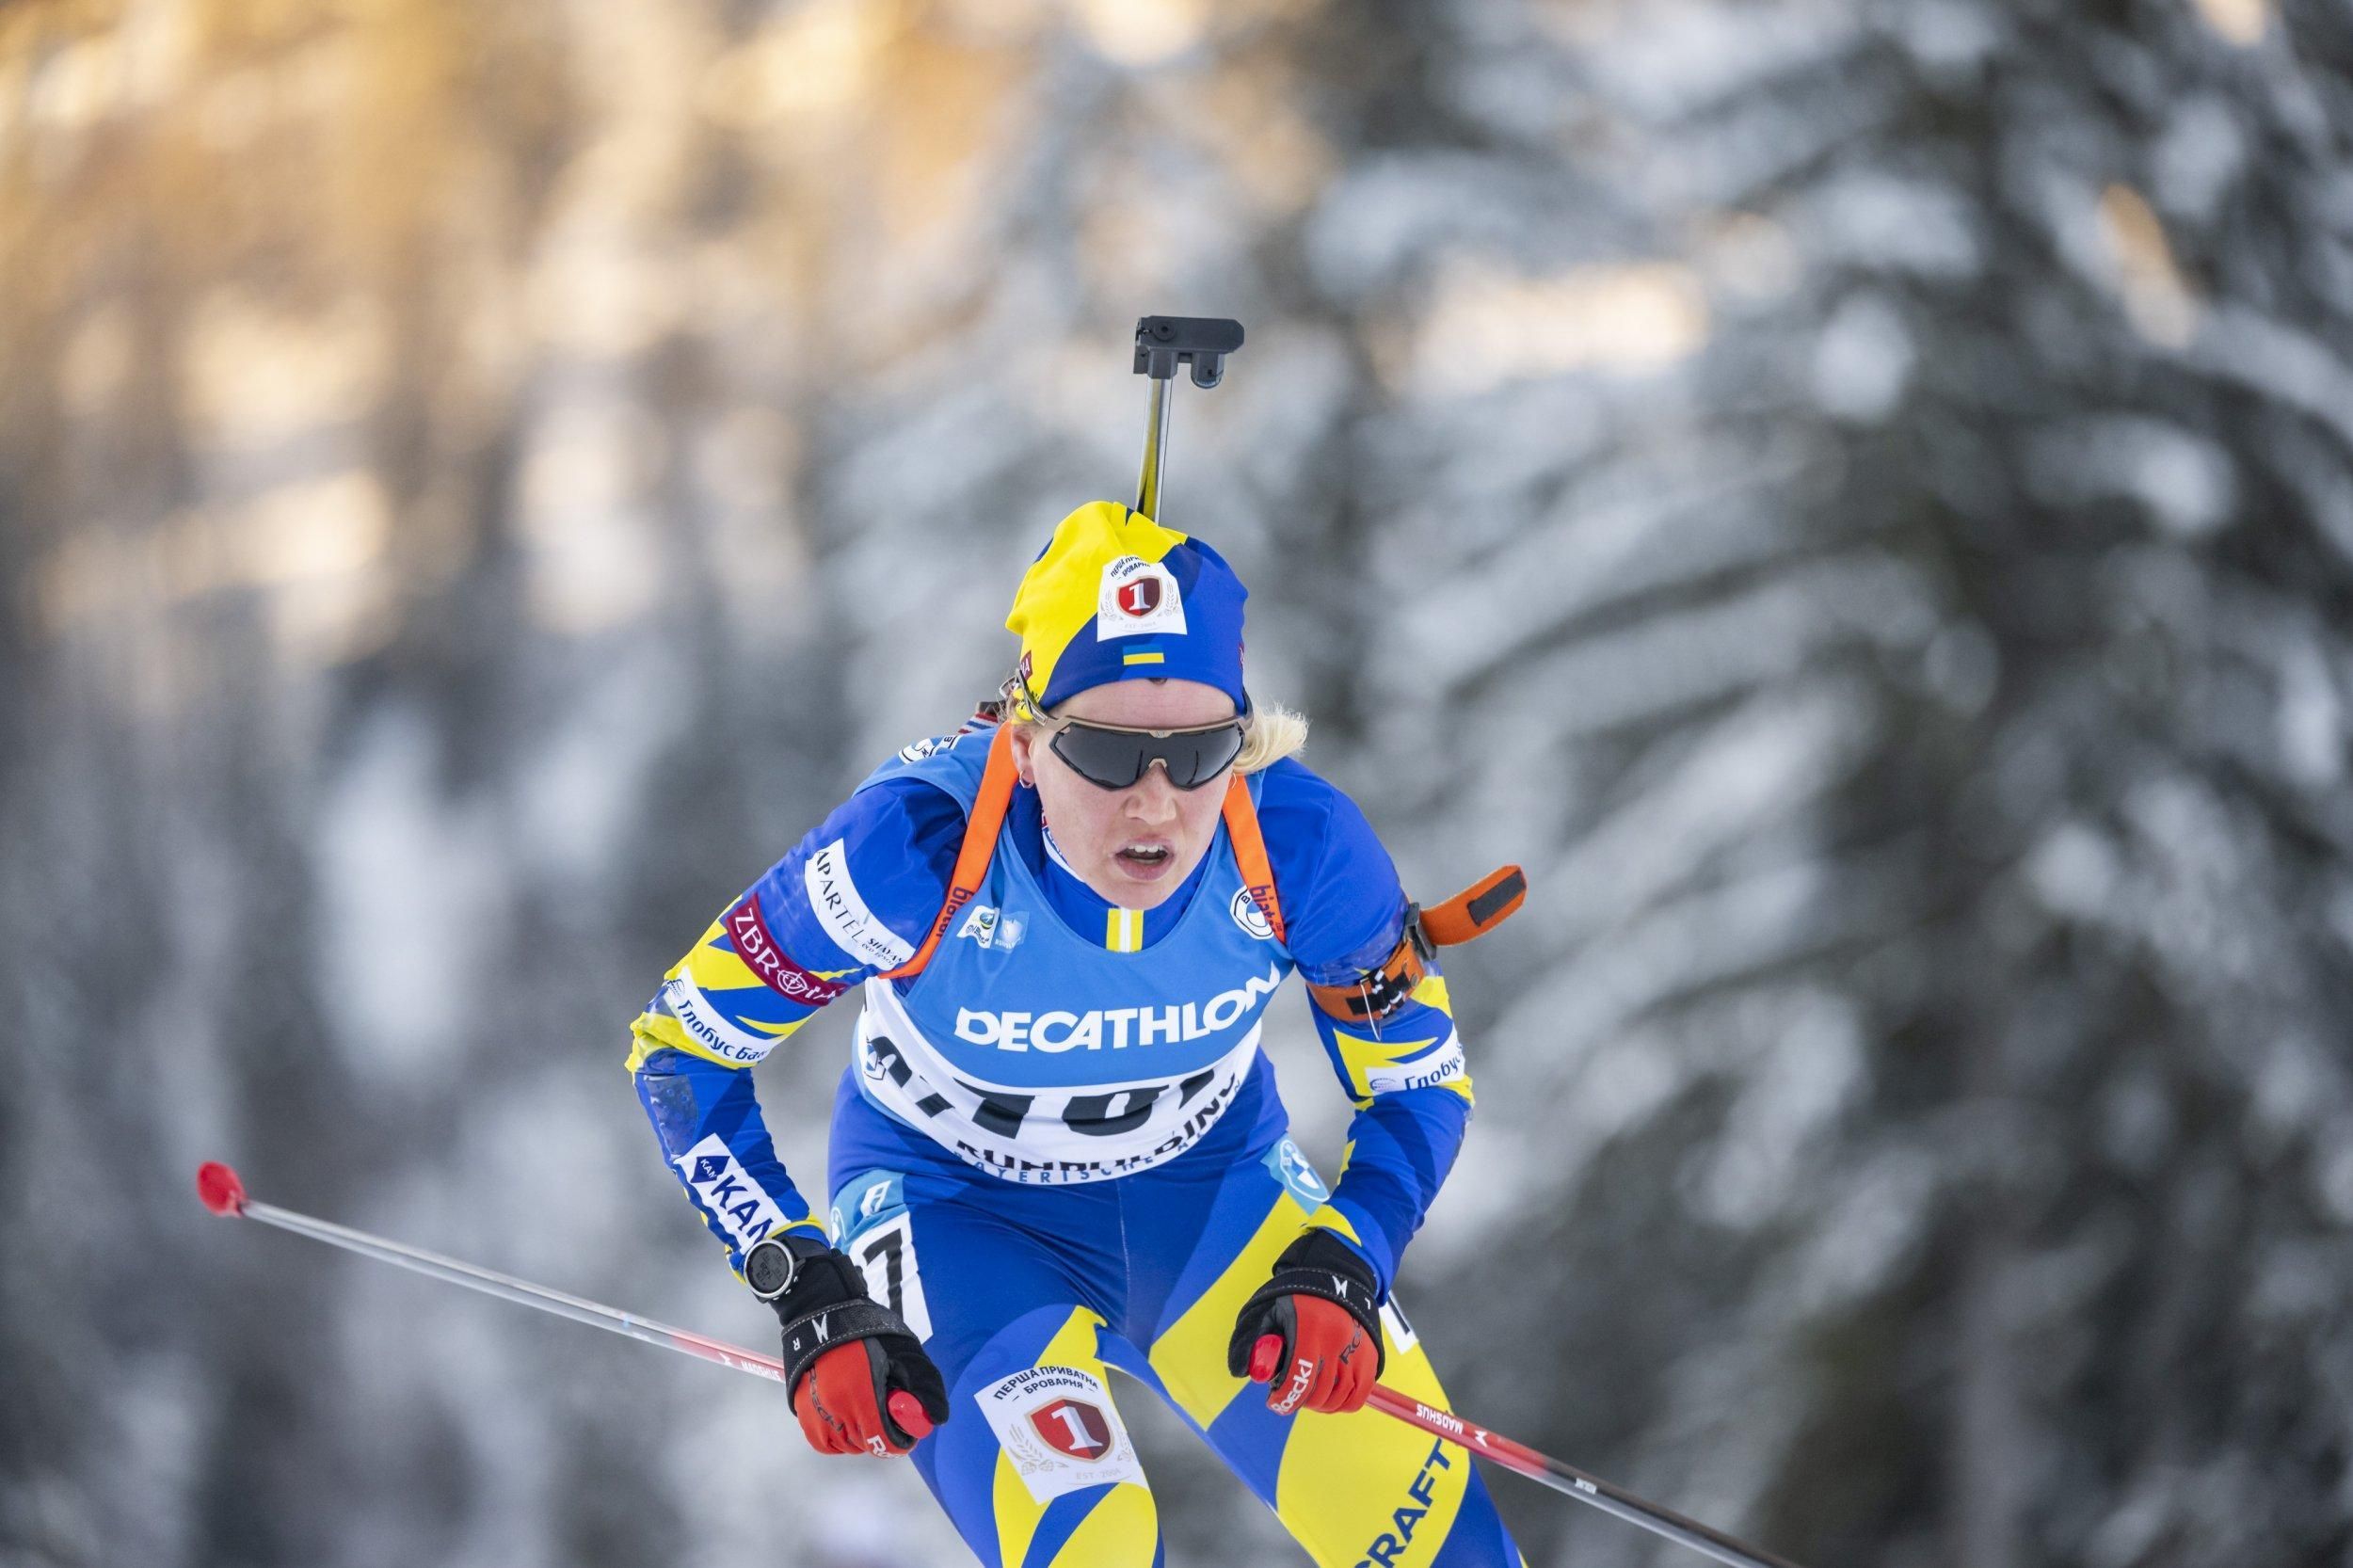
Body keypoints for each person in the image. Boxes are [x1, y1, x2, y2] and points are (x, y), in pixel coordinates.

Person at [627, 501, 1525, 1566]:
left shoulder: (1300, 845)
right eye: (1104, 754)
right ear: (1024, 737)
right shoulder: (914, 848)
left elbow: (1418, 1081)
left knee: (1449, 1553)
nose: (1154, 804)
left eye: (1199, 756)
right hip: (958, 1213)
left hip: (1212, 1196)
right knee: (1095, 1548)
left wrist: (1348, 1251)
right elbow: (680, 1049)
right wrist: (806, 1280)